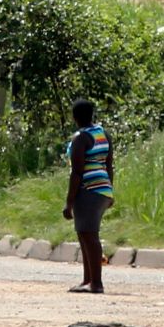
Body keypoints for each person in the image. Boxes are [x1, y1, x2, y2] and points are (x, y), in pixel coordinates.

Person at [64, 99, 114, 294]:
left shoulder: (80, 138)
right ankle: (87, 280)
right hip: (103, 189)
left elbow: (77, 173)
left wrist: (69, 203)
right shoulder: (103, 134)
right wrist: (110, 190)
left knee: (89, 235)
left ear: (74, 117)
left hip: (88, 189)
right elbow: (109, 165)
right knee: (84, 233)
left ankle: (96, 283)